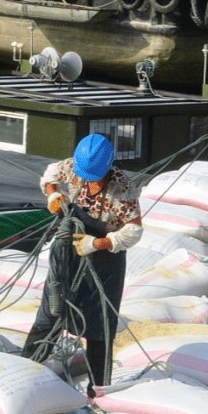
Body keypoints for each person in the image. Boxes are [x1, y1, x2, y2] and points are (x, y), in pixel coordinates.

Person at [21, 134, 142, 389]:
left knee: (99, 328)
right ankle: (24, 373)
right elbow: (51, 174)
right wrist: (53, 195)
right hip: (70, 251)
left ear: (108, 167)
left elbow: (133, 231)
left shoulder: (123, 188)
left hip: (105, 260)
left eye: (94, 175)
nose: (88, 179)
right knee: (50, 314)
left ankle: (98, 390)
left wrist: (97, 243)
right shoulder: (74, 169)